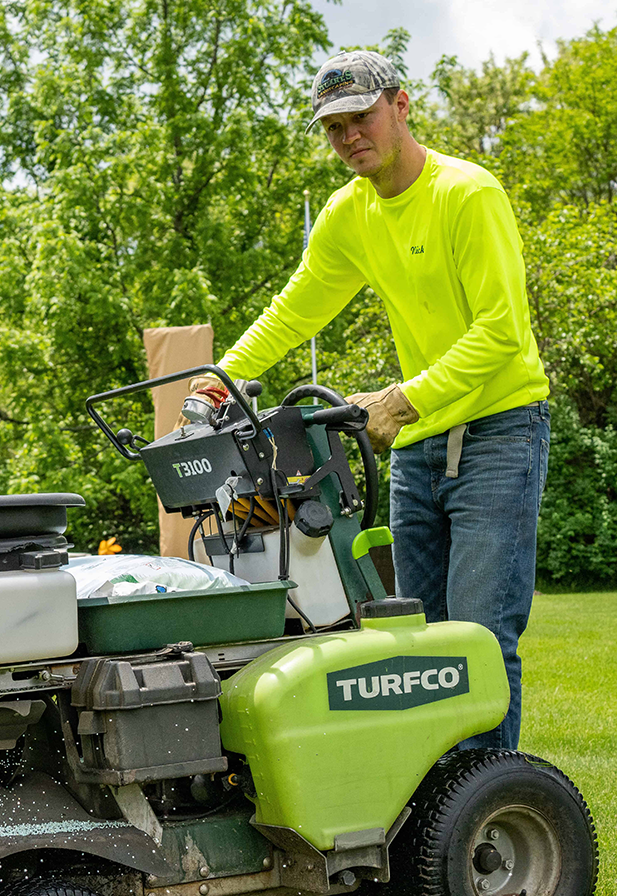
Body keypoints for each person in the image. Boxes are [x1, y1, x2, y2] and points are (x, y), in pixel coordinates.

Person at [188, 49, 550, 751]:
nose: (350, 137)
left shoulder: (466, 194)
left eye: (361, 118)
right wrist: (218, 378)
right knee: (418, 643)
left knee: (478, 638)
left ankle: (487, 813)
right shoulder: (350, 213)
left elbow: (502, 333)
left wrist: (402, 400)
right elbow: (296, 310)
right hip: (418, 451)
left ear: (401, 105)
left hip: (501, 434)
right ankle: (434, 812)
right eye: (333, 128)